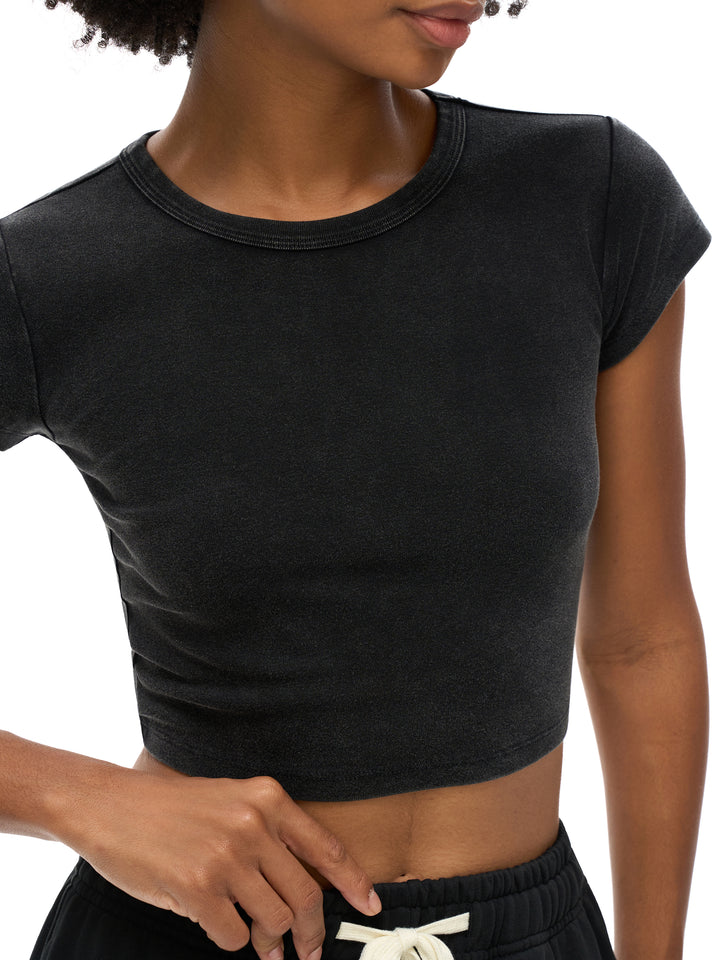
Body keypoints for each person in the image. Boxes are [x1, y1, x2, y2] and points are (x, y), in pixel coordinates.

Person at [0, 1, 712, 959]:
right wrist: (78, 798)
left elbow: (640, 641)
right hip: (196, 933)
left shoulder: (589, 195)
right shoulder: (50, 274)